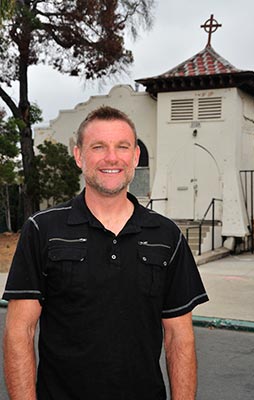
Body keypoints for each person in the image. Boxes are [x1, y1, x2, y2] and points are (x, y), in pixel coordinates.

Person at [3, 106, 208, 400]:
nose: (112, 157)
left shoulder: (166, 235)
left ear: (135, 156)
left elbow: (180, 338)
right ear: (79, 156)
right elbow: (19, 332)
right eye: (98, 147)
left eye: (122, 147)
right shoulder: (42, 230)